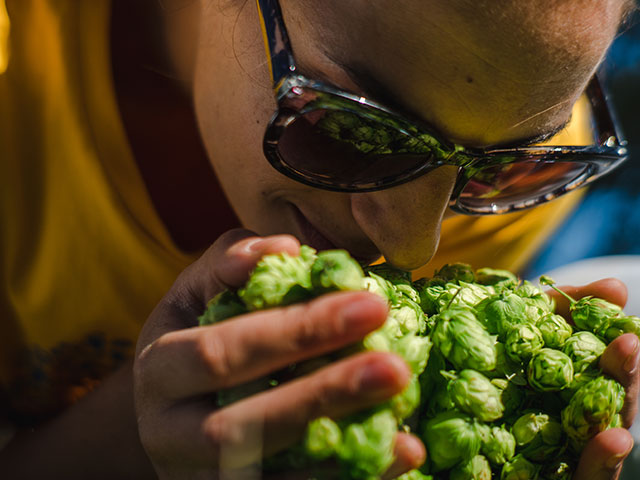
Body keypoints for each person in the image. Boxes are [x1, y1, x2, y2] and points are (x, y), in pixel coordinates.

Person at [0, 0, 638, 478]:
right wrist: (136, 435)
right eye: (355, 128)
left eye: (502, 165)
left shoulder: (515, 135)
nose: (412, 247)